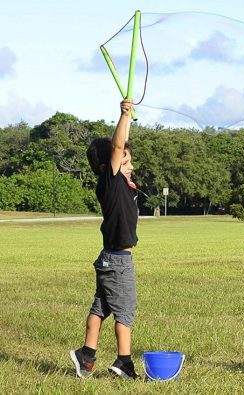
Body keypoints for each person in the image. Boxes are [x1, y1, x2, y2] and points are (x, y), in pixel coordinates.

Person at [70, 100, 140, 380]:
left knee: (101, 308)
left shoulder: (118, 183)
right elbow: (118, 144)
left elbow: (122, 145)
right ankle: (124, 363)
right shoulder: (110, 181)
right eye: (125, 160)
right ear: (107, 164)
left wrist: (129, 122)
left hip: (110, 257)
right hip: (118, 261)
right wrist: (123, 116)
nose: (130, 165)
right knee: (125, 313)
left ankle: (86, 355)